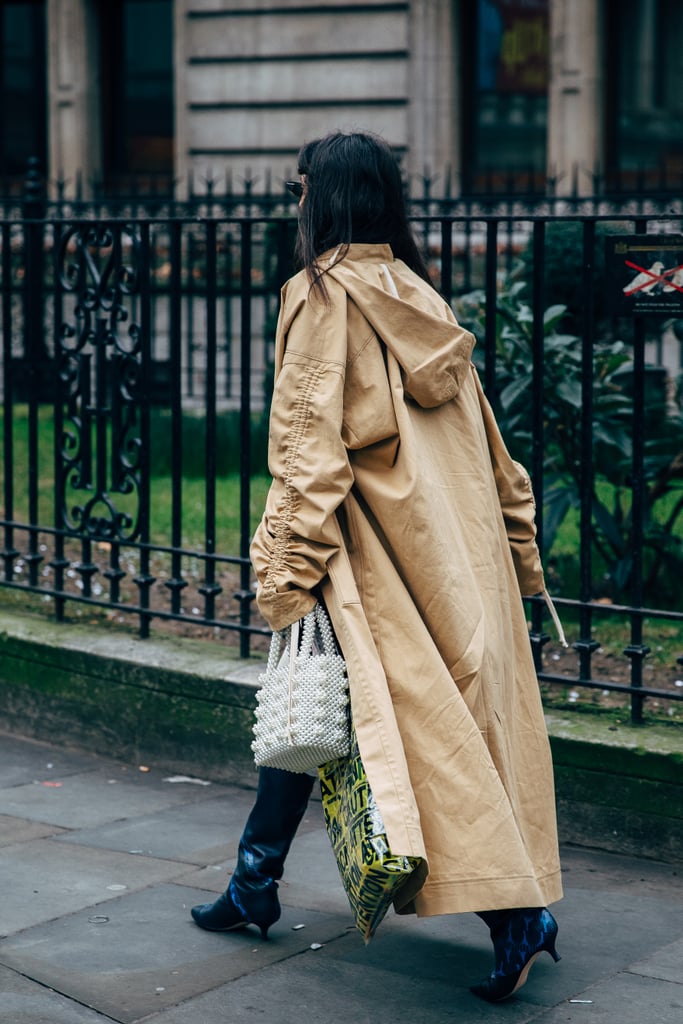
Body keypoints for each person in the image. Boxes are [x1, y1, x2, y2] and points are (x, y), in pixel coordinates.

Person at [191, 130, 563, 1003]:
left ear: (320, 199)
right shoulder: (417, 294)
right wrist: (519, 548)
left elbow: (306, 447)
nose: (292, 203)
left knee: (405, 737)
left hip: (375, 562)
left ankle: (515, 919)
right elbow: (492, 444)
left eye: (298, 189)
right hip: (453, 559)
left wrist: (284, 572)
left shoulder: (319, 294)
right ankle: (255, 883)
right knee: (317, 704)